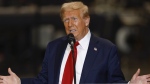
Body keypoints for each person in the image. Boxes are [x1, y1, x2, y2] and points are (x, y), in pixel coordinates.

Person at [0, 1, 150, 84]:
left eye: (74, 19)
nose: (70, 24)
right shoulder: (54, 47)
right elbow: (43, 81)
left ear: (86, 20)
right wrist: (19, 82)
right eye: (66, 20)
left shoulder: (106, 49)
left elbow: (115, 81)